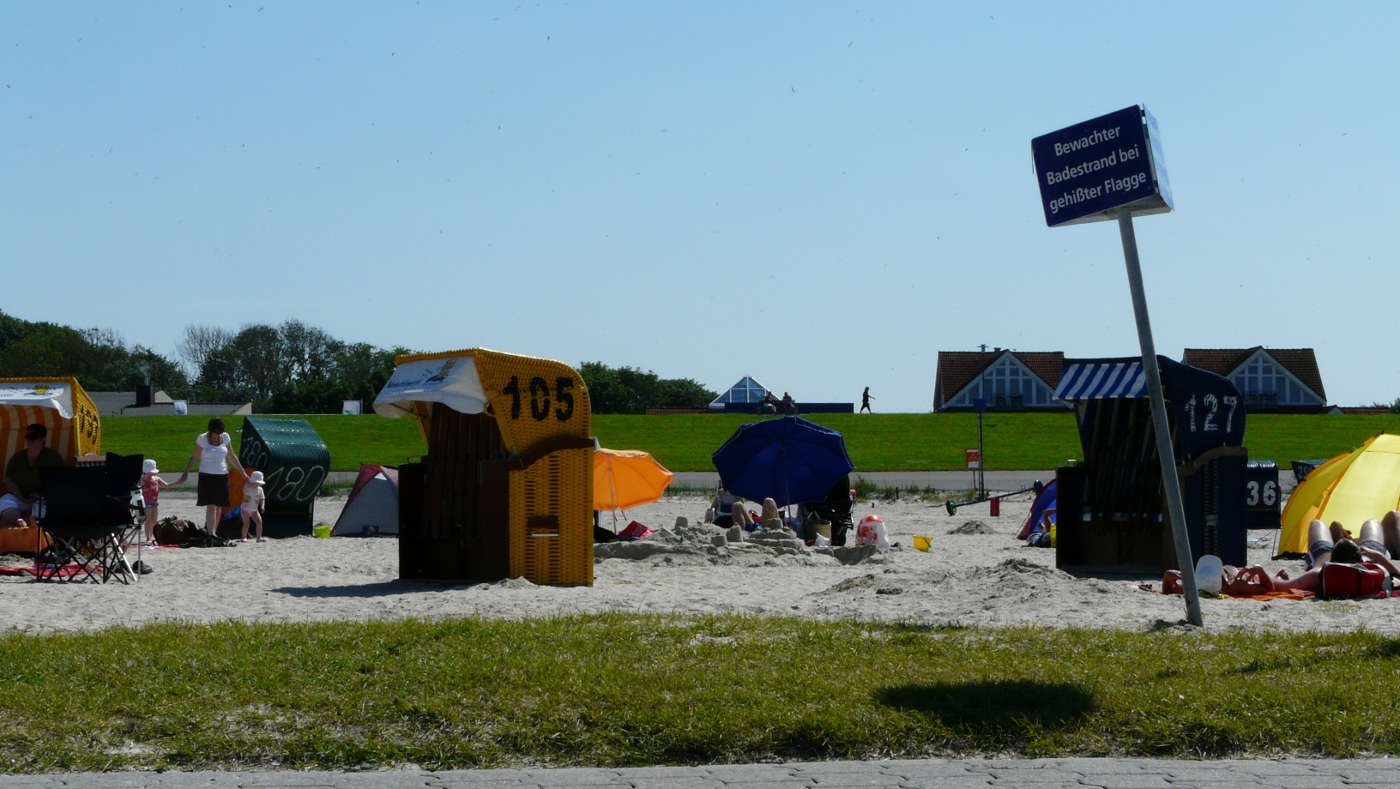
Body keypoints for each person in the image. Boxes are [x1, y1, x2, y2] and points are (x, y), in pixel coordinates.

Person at [173, 417, 250, 537]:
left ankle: (214, 531)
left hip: (222, 475)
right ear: (210, 431)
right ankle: (210, 533)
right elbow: (194, 457)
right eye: (215, 433)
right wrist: (186, 472)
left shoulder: (225, 437)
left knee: (219, 505)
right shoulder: (202, 439)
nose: (217, 435)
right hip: (207, 475)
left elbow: (231, 456)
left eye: (219, 433)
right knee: (211, 505)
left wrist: (243, 474)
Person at [0, 423, 65, 529]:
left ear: (43, 439)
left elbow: (60, 481)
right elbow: (8, 480)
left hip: (42, 499)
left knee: (42, 509)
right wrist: (21, 496)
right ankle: (19, 521)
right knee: (4, 501)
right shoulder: (18, 457)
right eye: (28, 437)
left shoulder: (53, 457)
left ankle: (25, 522)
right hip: (20, 497)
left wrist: (41, 495)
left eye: (33, 437)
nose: (30, 441)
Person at [140, 458, 172, 546]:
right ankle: (148, 538)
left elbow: (166, 485)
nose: (151, 474)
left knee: (154, 520)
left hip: (155, 503)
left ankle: (153, 536)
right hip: (146, 503)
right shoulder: (142, 480)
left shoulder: (156, 479)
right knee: (148, 519)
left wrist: (178, 482)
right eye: (149, 472)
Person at [240, 470, 267, 543]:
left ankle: (259, 537)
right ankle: (244, 537)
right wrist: (248, 482)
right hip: (245, 508)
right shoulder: (248, 487)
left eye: (259, 482)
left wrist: (262, 506)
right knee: (246, 523)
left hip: (254, 509)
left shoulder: (260, 489)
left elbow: (262, 499)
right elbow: (244, 489)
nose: (257, 484)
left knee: (259, 522)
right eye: (256, 482)